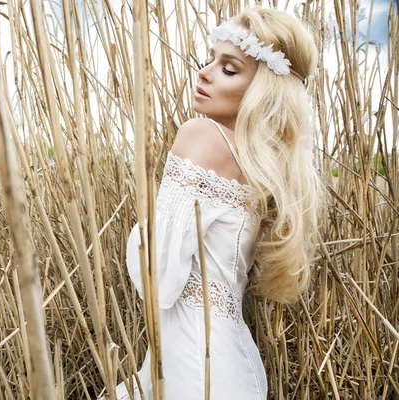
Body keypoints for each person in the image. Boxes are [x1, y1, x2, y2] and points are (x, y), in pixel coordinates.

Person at [113, 7, 322, 399]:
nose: (205, 72)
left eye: (229, 68)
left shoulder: (200, 136)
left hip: (193, 365)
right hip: (229, 363)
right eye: (210, 59)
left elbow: (159, 276)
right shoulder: (262, 164)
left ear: (262, 90)